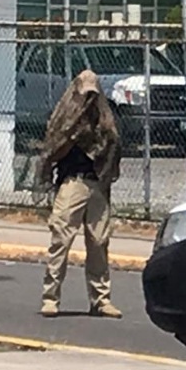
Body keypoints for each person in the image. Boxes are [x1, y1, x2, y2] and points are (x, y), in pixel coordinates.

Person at [37, 70, 123, 319]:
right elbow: (53, 148)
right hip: (72, 183)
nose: (88, 100)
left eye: (92, 95)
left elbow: (113, 147)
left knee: (98, 242)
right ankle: (50, 297)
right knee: (61, 239)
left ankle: (101, 300)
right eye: (85, 94)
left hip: (97, 184)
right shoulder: (65, 116)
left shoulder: (104, 117)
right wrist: (73, 135)